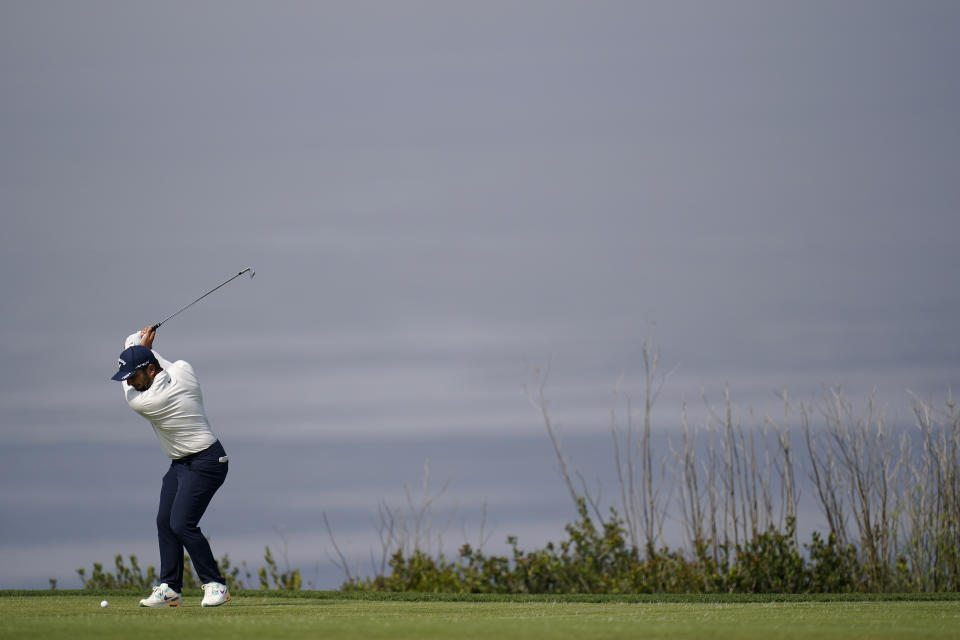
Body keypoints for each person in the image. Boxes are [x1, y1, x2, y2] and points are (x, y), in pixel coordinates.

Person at [111, 326, 231, 608]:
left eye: (133, 376)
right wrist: (144, 347)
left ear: (150, 371)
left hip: (207, 462)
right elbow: (158, 362)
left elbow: (144, 361)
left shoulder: (147, 401)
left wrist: (137, 343)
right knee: (165, 522)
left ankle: (216, 585)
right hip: (181, 464)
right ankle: (170, 588)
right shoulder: (183, 371)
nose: (129, 383)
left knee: (181, 523)